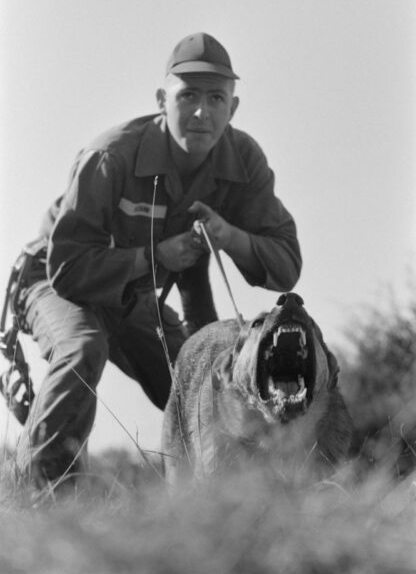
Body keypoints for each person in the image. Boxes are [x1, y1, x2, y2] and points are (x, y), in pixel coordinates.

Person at [15, 32, 302, 488]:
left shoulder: (243, 160)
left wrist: (228, 235)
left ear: (234, 107)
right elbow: (67, 268)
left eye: (215, 98)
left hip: (132, 294)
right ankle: (40, 497)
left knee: (201, 385)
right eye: (187, 96)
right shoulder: (111, 155)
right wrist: (155, 256)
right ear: (161, 100)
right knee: (84, 347)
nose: (202, 113)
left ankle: (225, 507)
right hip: (52, 278)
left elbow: (285, 264)